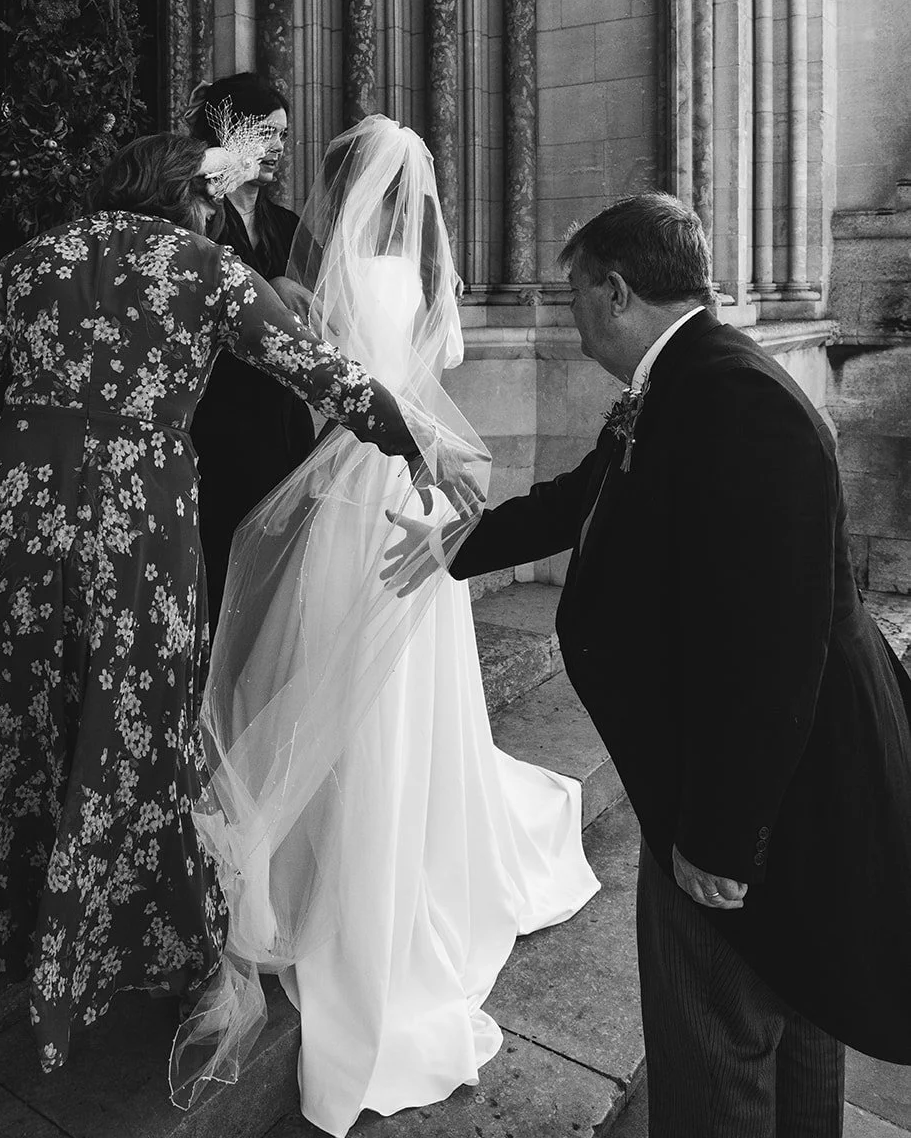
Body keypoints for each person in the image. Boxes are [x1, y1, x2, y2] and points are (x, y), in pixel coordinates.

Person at [0, 130, 463, 1076]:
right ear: (189, 196)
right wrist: (413, 443)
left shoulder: (29, 261)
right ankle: (99, 940)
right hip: (136, 522)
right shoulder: (207, 267)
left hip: (13, 514)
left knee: (6, 712)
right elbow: (322, 372)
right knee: (129, 714)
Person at [387, 192, 911, 1136]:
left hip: (760, 789)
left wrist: (718, 836)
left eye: (575, 292)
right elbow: (583, 495)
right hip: (759, 777)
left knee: (712, 1031)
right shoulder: (681, 382)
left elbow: (773, 645)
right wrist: (452, 545)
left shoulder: (739, 401)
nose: (567, 314)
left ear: (617, 291)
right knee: (789, 1004)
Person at [172, 117, 599, 1135]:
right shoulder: (430, 281)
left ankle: (331, 845)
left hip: (351, 493)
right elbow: (434, 364)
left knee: (326, 670)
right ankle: (397, 840)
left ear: (341, 189)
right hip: (419, 497)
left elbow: (311, 374)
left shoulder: (328, 287)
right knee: (407, 693)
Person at [185, 75, 315, 635]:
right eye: (266, 132)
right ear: (227, 131)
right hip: (219, 414)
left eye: (284, 136)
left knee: (279, 563)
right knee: (222, 553)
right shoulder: (197, 216)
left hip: (282, 412)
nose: (279, 146)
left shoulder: (287, 224)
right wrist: (268, 288)